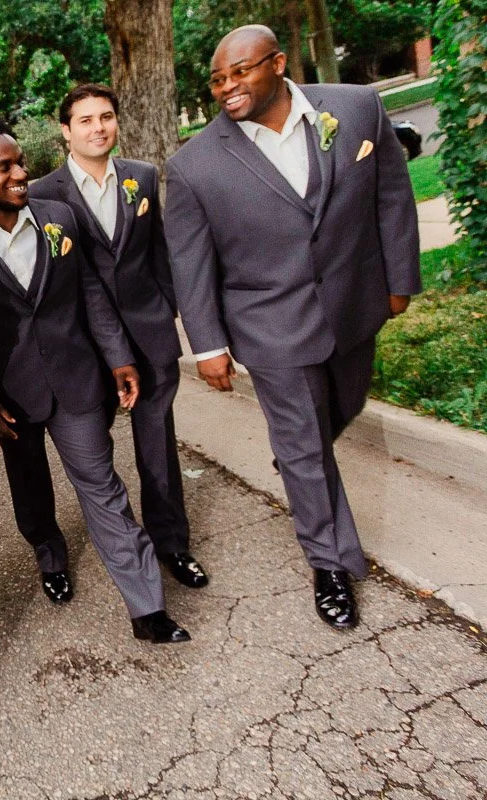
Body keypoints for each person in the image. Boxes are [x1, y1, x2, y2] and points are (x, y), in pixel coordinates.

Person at [163, 25, 421, 629]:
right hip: (271, 324)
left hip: (354, 303)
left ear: (278, 64)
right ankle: (329, 563)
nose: (227, 88)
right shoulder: (195, 165)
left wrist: (399, 278)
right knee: (305, 446)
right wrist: (208, 345)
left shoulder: (356, 109)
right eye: (217, 79)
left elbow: (391, 193)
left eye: (241, 72)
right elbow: (191, 264)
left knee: (343, 405)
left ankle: (299, 457)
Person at [0, 118, 190, 644]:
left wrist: (118, 355)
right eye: (4, 167)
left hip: (77, 382)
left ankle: (147, 608)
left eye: (20, 162)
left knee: (103, 487)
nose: (21, 173)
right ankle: (49, 555)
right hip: (7, 397)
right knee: (30, 491)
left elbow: (91, 291)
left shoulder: (59, 219)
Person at [30, 84, 209, 590]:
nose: (98, 128)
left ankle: (173, 544)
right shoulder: (43, 193)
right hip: (84, 350)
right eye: (85, 120)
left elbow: (160, 254)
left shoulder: (143, 178)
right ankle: (125, 554)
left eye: (105, 117)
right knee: (95, 456)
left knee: (158, 447)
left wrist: (165, 309)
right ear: (66, 131)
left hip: (150, 338)